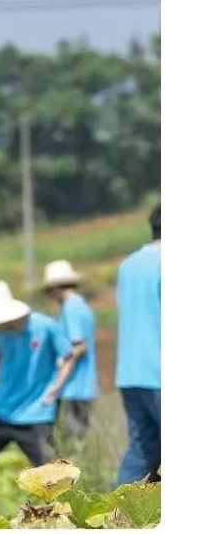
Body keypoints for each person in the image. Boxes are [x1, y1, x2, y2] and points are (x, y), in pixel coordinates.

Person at [0, 280, 76, 469]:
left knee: (52, 475)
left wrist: (55, 389)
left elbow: (68, 356)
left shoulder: (45, 327)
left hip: (36, 413)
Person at [114, 203, 161, 486]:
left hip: (130, 373)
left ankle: (115, 519)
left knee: (141, 452)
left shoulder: (128, 264)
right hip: (161, 372)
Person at [42, 259, 98, 442]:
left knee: (67, 441)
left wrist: (57, 381)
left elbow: (79, 346)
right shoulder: (81, 305)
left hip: (74, 387)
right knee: (77, 438)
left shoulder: (70, 308)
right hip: (84, 386)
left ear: (56, 288)